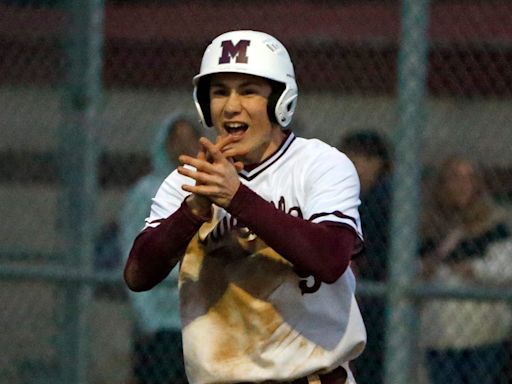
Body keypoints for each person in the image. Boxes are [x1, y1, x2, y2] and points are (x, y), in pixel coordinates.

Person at [123, 30, 366, 384]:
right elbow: (138, 275)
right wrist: (192, 210)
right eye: (219, 92)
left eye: (249, 90)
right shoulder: (186, 182)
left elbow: (329, 259)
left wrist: (237, 198)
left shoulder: (320, 164)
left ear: (280, 100)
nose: (232, 105)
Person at [119, 112, 201, 384]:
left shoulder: (206, 192)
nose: (185, 147)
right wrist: (146, 318)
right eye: (178, 140)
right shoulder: (147, 191)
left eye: (191, 140)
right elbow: (131, 250)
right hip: (160, 323)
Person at [418, 155, 512, 384]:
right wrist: (425, 267)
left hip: (484, 331)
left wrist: (474, 268)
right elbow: (410, 266)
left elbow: (505, 268)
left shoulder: (493, 224)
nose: (462, 185)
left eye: (469, 178)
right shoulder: (428, 225)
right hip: (439, 332)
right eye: (454, 178)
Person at [338, 130, 392, 384]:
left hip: (376, 296)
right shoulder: (344, 196)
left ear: (379, 164)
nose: (357, 166)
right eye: (350, 158)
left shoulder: (382, 198)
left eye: (365, 159)